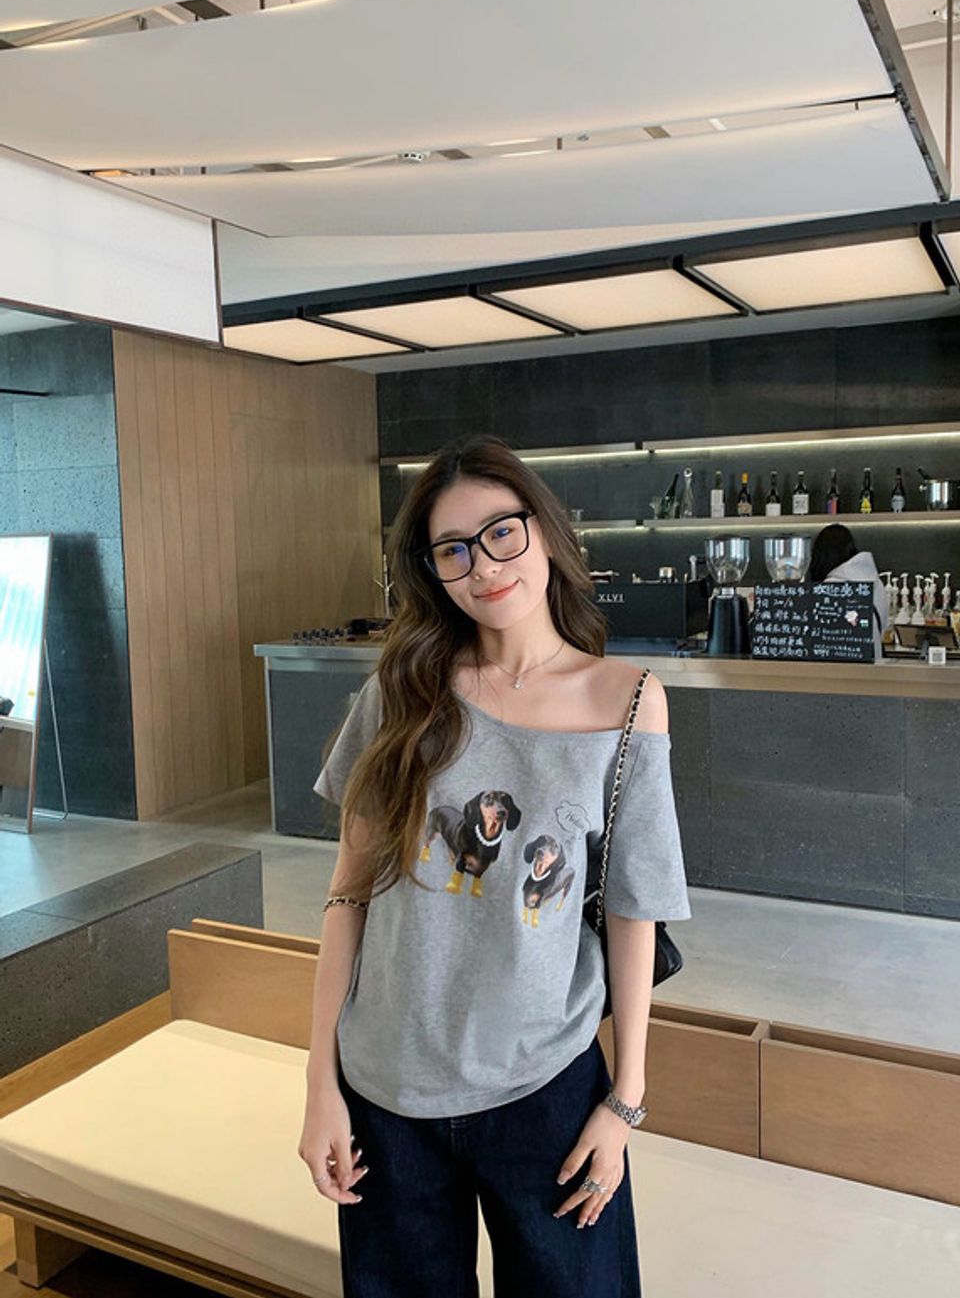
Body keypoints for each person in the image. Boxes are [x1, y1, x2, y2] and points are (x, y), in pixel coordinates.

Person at [297, 432, 691, 1297]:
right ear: (433, 571)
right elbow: (347, 897)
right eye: (453, 549)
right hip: (387, 1090)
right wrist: (320, 1080)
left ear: (543, 528)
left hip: (545, 1090)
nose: (484, 565)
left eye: (501, 532)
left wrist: (624, 1099)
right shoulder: (401, 691)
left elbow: (635, 912)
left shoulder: (628, 703)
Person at [808, 523, 888, 660]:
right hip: (874, 663)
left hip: (839, 667)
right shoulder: (876, 583)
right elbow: (883, 626)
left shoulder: (829, 589)